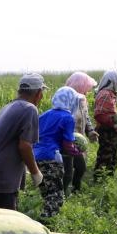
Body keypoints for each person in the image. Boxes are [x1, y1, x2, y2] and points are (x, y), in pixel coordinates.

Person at [0, 73, 46, 211]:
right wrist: (35, 173)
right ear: (39, 93)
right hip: (2, 175)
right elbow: (25, 146)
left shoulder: (8, 106)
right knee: (6, 225)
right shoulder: (29, 109)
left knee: (3, 220)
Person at [33, 87, 84, 220]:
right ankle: (47, 223)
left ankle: (41, 218)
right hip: (51, 158)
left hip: (35, 157)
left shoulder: (44, 115)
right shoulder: (68, 118)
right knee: (56, 195)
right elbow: (68, 145)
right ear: (70, 101)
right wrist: (77, 152)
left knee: (46, 192)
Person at [64, 71, 97, 194]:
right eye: (85, 87)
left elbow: (86, 118)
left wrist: (91, 131)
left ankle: (75, 190)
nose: (87, 91)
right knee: (69, 168)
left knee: (80, 168)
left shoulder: (83, 100)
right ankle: (65, 193)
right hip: (67, 140)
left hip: (79, 140)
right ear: (79, 85)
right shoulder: (65, 98)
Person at [93, 70, 117, 181]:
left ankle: (108, 179)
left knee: (113, 155)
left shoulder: (111, 93)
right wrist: (114, 124)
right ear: (113, 81)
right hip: (107, 131)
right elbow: (99, 115)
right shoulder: (105, 94)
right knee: (105, 156)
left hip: (112, 130)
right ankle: (99, 181)